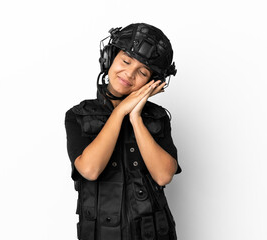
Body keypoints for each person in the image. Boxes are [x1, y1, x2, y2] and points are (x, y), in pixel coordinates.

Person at [65, 23, 181, 240]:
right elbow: (90, 169)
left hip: (154, 233)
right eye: (126, 61)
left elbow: (164, 175)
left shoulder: (158, 118)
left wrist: (135, 116)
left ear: (152, 82)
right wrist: (119, 113)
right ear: (109, 58)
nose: (129, 74)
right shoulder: (78, 116)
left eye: (143, 71)